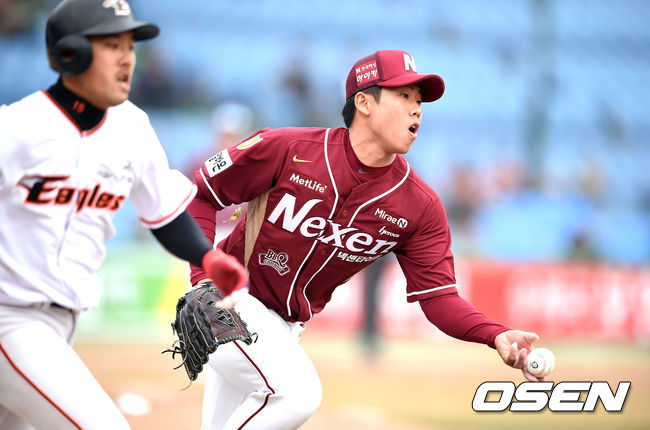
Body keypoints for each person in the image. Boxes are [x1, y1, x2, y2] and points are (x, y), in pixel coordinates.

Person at [186, 49, 542, 430]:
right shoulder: (289, 149)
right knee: (298, 393)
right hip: (227, 302)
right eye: (404, 96)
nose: (416, 110)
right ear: (364, 103)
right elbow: (201, 194)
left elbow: (439, 299)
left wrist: (495, 334)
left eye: (419, 101)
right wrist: (202, 278)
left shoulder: (418, 205)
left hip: (286, 329)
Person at [0, 1, 248, 429]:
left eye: (131, 46)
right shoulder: (18, 128)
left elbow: (165, 213)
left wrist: (208, 257)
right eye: (112, 45)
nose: (127, 58)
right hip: (11, 318)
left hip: (60, 323)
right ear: (71, 53)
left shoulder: (132, 127)